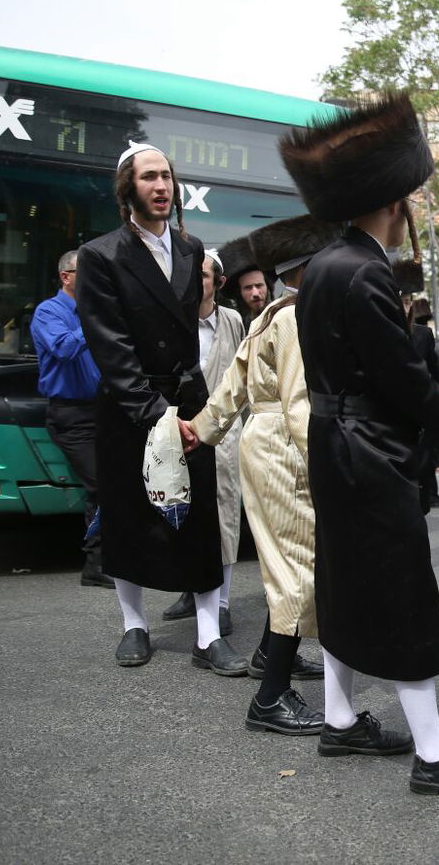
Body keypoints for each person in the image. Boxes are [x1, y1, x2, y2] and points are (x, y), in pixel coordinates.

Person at [286, 93, 439, 797]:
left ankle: (340, 717)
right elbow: (406, 384)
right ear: (396, 201)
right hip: (369, 449)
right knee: (402, 591)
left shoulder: (325, 265)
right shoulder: (364, 272)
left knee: (346, 580)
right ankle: (436, 752)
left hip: (334, 442)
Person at [75, 142, 245, 675]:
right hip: (132, 406)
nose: (162, 186)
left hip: (189, 401)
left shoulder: (193, 251)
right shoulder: (101, 256)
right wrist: (153, 412)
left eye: (168, 177)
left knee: (198, 522)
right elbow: (109, 344)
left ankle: (208, 636)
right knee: (127, 517)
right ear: (129, 188)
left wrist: (193, 409)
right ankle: (134, 625)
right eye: (150, 177)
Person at [183, 215, 332, 735]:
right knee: (297, 564)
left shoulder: (271, 311)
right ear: (311, 269)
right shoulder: (296, 319)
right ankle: (271, 698)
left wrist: (201, 431)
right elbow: (299, 403)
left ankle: (273, 656)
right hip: (284, 446)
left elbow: (231, 386)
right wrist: (332, 466)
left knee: (286, 558)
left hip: (259, 440)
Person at [161, 249, 246, 635]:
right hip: (179, 431)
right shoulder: (169, 320)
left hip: (226, 435)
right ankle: (189, 589)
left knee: (225, 516)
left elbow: (244, 380)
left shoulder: (233, 322)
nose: (196, 284)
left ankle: (222, 603)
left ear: (219, 283)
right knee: (183, 513)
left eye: (205, 277)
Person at [30, 248, 112, 588]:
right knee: (101, 487)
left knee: (110, 486)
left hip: (102, 410)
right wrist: (94, 319)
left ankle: (105, 560)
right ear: (67, 277)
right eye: (86, 272)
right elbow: (64, 348)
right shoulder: (49, 312)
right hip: (70, 415)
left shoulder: (90, 311)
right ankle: (95, 564)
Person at [407, 296, 439, 512]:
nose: (403, 307)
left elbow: (434, 372)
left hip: (420, 411)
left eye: (406, 302)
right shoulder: (380, 330)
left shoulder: (422, 334)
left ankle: (426, 498)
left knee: (423, 462)